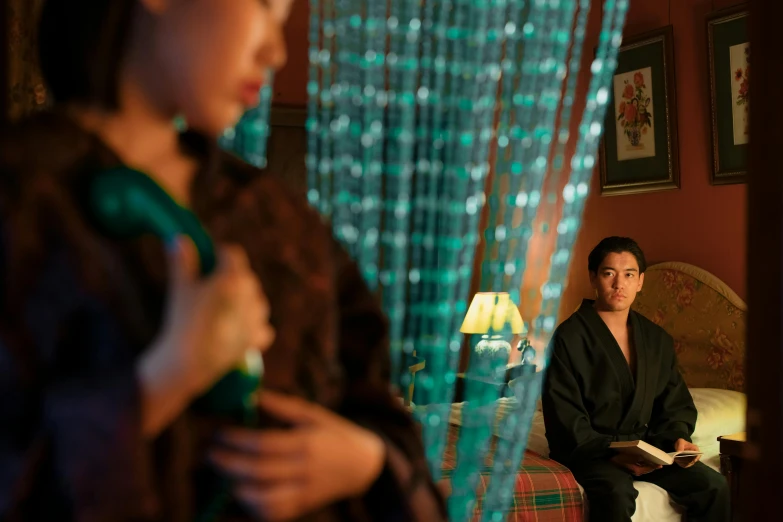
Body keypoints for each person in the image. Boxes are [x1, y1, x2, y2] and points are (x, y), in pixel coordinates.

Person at [0, 0, 446, 521]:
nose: (276, 51)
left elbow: (382, 419)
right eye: (263, 5)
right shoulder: (20, 197)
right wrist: (167, 377)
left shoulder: (277, 218)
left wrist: (366, 463)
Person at [541, 237, 729, 522]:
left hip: (649, 449)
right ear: (593, 277)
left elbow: (674, 401)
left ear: (640, 281)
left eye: (629, 274)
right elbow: (565, 418)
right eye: (609, 273)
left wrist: (679, 438)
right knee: (616, 494)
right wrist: (614, 454)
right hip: (592, 453)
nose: (620, 284)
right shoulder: (569, 338)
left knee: (715, 486)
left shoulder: (656, 339)